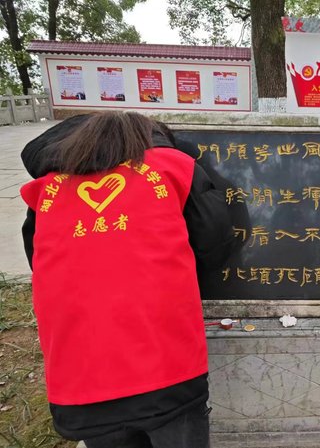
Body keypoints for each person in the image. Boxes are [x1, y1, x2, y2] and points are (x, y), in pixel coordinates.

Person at [20, 111, 236, 448]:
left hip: (79, 380)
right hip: (166, 369)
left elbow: (38, 260)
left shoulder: (46, 189)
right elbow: (215, 242)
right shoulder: (172, 166)